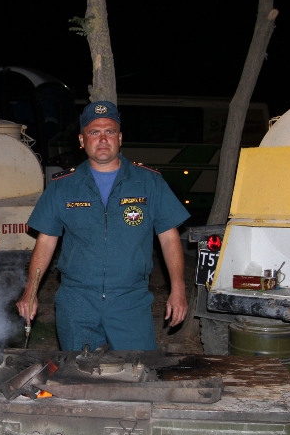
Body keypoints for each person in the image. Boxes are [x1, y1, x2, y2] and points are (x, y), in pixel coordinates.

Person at [16, 100, 189, 351]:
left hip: (130, 299)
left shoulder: (149, 182)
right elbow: (46, 240)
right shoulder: (63, 186)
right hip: (77, 301)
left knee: (136, 375)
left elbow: (169, 238)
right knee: (79, 379)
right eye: (94, 132)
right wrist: (30, 292)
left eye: (109, 131)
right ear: (81, 140)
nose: (103, 138)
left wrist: (178, 289)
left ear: (120, 138)